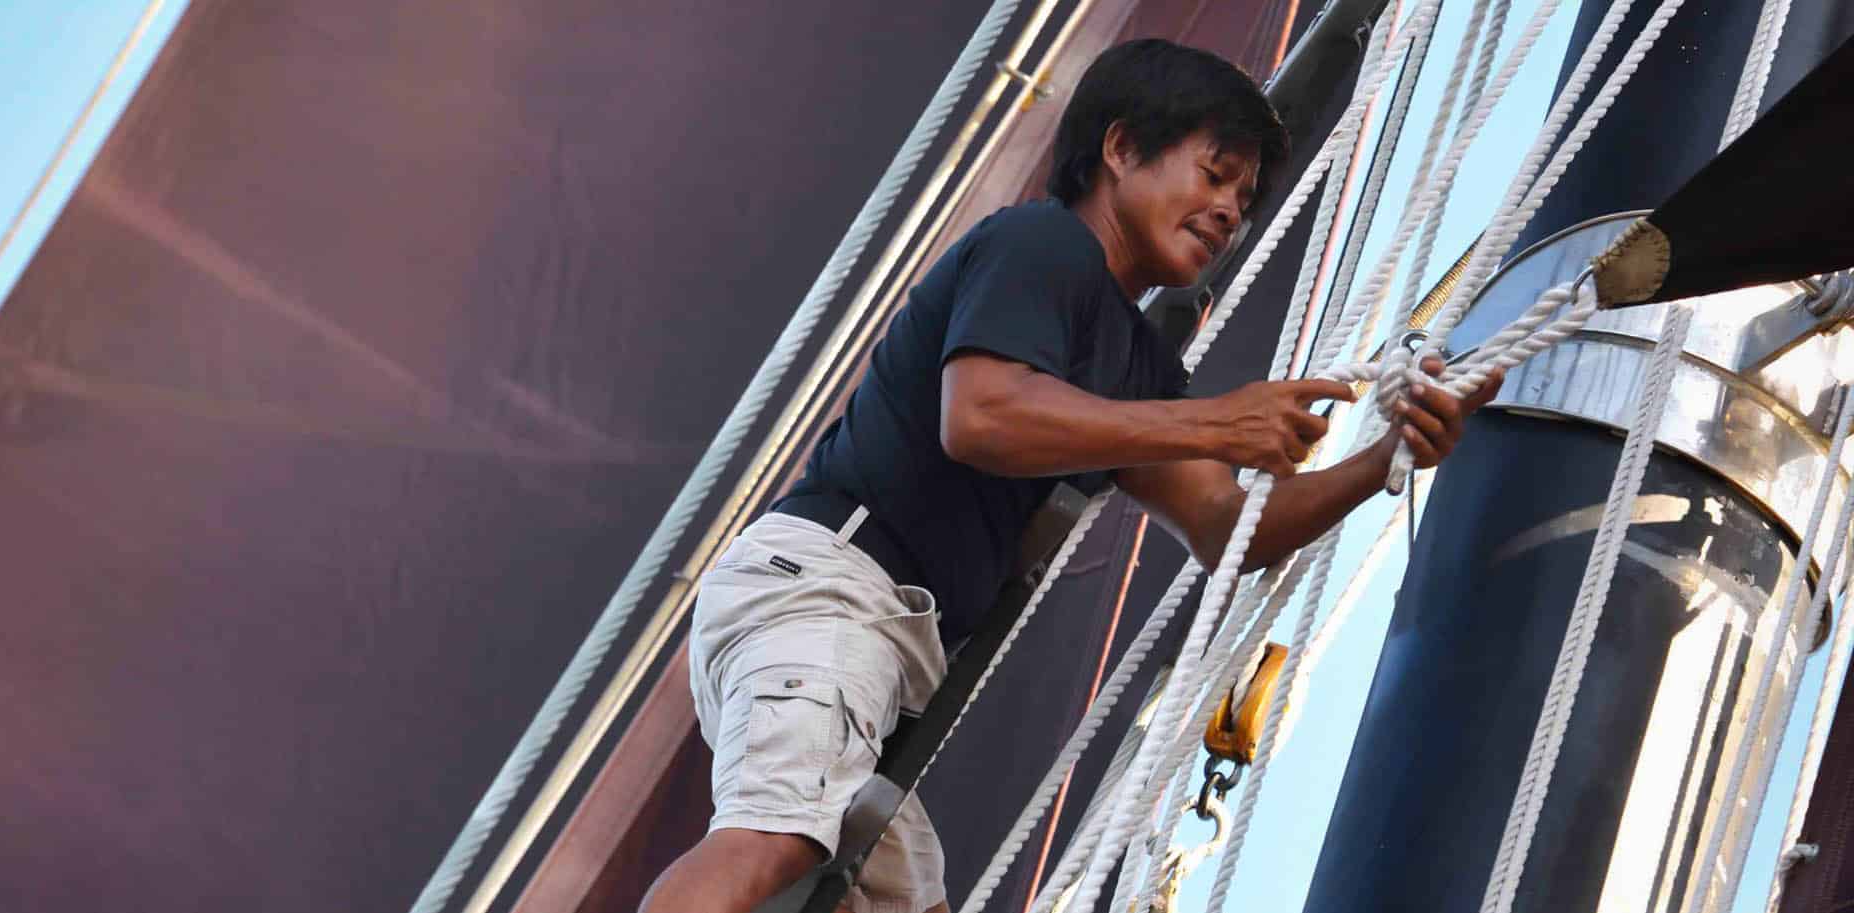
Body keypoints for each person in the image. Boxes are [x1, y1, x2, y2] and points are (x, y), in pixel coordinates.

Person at [639, 39, 1503, 913]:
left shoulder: (1134, 364)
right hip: (830, 592)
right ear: (1121, 149)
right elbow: (980, 416)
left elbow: (1226, 527)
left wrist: (1387, 458)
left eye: (1244, 198)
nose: (1228, 212)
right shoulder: (1040, 245)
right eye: (1213, 174)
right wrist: (1213, 419)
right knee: (774, 833)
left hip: (878, 643)